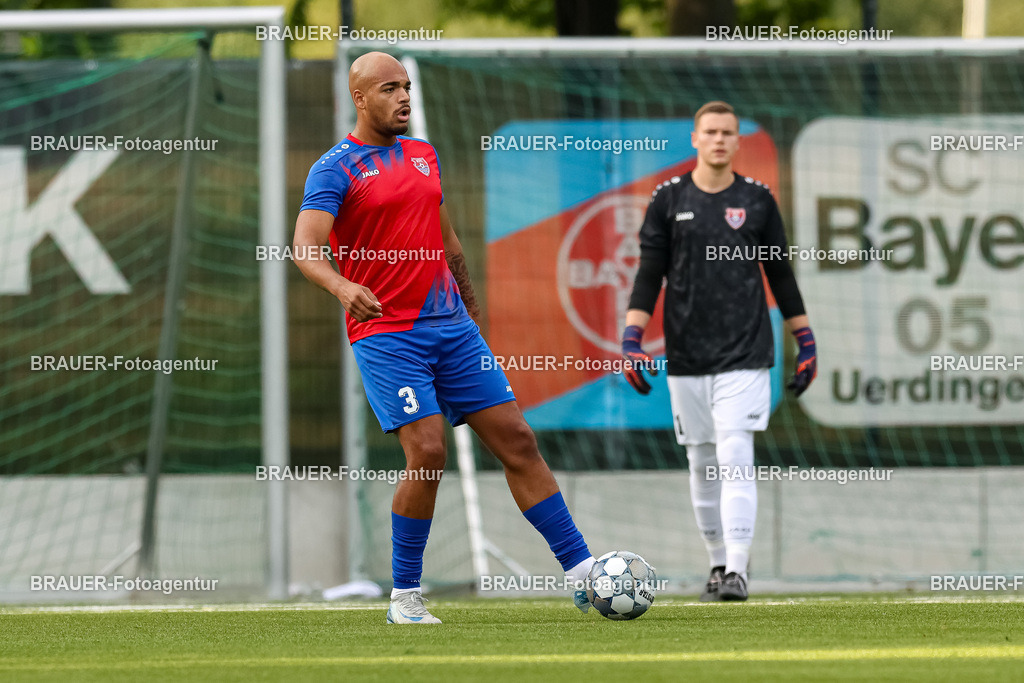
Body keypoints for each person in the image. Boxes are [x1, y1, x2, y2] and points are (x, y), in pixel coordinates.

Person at [292, 52, 594, 624]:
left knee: (519, 442)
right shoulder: (334, 168)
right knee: (428, 454)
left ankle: (583, 574)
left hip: (451, 328)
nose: (403, 97)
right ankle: (405, 597)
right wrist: (340, 285)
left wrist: (473, 314)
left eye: (406, 87)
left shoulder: (424, 155)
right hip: (386, 332)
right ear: (360, 98)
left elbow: (449, 244)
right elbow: (305, 247)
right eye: (389, 89)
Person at [621, 101, 817, 602]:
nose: (719, 140)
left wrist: (806, 338)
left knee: (735, 453)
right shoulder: (667, 200)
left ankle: (738, 570)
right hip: (687, 355)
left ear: (737, 141)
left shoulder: (758, 200)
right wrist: (631, 339)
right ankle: (716, 565)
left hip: (747, 352)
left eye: (728, 133)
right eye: (710, 132)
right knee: (702, 463)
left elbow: (781, 275)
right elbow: (648, 275)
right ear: (695, 138)